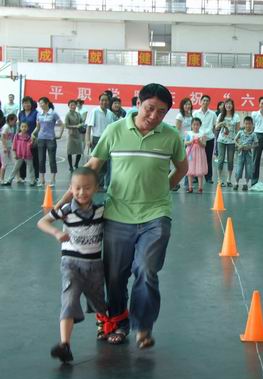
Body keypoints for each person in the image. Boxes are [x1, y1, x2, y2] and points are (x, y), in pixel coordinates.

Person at [56, 83, 188, 348]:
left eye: (162, 112)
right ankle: (118, 322)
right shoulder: (115, 130)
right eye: (150, 108)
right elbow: (92, 167)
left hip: (156, 215)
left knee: (147, 270)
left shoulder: (171, 136)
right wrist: (63, 203)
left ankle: (143, 327)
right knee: (115, 276)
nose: (154, 116)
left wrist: (164, 189)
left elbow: (182, 168)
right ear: (138, 104)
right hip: (117, 214)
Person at [37, 167, 108, 363]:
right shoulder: (66, 209)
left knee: (99, 301)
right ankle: (65, 344)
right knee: (68, 299)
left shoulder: (101, 210)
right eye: (77, 188)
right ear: (71, 188)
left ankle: (105, 326)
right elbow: (42, 222)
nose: (82, 192)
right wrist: (56, 233)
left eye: (87, 188)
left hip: (94, 264)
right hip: (71, 263)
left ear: (96, 188)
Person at [32, 97, 64, 187]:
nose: (40, 105)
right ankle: (42, 180)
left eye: (42, 103)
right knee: (41, 160)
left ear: (47, 103)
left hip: (51, 139)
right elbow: (38, 127)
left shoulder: (53, 114)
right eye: (39, 103)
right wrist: (33, 133)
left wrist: (59, 135)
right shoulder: (39, 114)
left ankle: (53, 180)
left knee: (52, 159)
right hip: (41, 139)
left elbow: (62, 124)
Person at [85, 93, 115, 188]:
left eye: (106, 100)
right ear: (99, 101)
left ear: (109, 102)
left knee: (106, 164)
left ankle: (101, 184)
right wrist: (88, 140)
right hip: (96, 139)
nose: (104, 102)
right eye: (102, 100)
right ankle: (94, 184)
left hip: (107, 140)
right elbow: (89, 127)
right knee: (96, 163)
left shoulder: (110, 113)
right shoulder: (95, 111)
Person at [215, 98, 240, 187]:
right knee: (220, 160)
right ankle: (219, 179)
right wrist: (221, 124)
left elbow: (238, 131)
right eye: (227, 104)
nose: (228, 106)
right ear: (224, 106)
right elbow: (216, 127)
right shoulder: (220, 115)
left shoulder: (236, 116)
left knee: (230, 160)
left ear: (232, 106)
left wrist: (237, 143)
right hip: (221, 140)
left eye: (230, 104)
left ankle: (229, 179)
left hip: (232, 141)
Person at [193, 95, 217, 184]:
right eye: (204, 100)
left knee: (208, 159)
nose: (205, 102)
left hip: (209, 138)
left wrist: (212, 135)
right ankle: (195, 176)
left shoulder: (213, 114)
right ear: (201, 101)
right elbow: (193, 126)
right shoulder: (195, 113)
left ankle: (208, 177)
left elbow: (214, 126)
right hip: (198, 139)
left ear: (209, 102)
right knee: (197, 158)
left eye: (207, 101)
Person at [18, 96, 39, 185]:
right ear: (22, 104)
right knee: (22, 158)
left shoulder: (36, 113)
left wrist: (34, 135)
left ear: (31, 103)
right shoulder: (21, 113)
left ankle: (36, 177)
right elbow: (19, 126)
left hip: (33, 139)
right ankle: (22, 176)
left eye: (28, 102)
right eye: (24, 103)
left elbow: (38, 126)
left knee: (34, 158)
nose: (26, 104)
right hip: (22, 140)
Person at [234, 116, 257, 191]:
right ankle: (236, 183)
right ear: (244, 124)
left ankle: (246, 184)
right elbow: (235, 140)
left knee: (249, 169)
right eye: (246, 123)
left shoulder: (253, 134)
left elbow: (256, 144)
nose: (248, 125)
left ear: (252, 124)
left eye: (249, 124)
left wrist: (250, 147)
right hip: (240, 153)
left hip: (248, 154)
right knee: (239, 168)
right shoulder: (240, 132)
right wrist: (239, 146)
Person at [185, 117, 207, 193]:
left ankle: (200, 187)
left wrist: (200, 142)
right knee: (190, 169)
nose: (195, 126)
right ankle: (190, 187)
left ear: (200, 125)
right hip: (190, 153)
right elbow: (185, 142)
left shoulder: (202, 134)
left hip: (199, 153)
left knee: (199, 169)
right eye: (194, 124)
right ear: (191, 125)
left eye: (197, 124)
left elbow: (204, 145)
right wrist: (191, 142)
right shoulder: (188, 133)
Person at [64, 100, 85, 172]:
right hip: (71, 135)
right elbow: (66, 125)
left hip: (78, 134)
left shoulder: (78, 114)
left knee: (79, 151)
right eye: (71, 105)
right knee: (69, 151)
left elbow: (82, 122)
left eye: (74, 105)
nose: (73, 106)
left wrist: (81, 124)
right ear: (69, 106)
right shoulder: (67, 115)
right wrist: (76, 126)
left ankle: (76, 164)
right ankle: (70, 166)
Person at [1, 113, 17, 184]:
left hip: (10, 147)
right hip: (3, 147)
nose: (15, 122)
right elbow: (2, 138)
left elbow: (10, 138)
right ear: (10, 120)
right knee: (4, 164)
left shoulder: (12, 128)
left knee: (16, 162)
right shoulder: (6, 127)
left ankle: (18, 178)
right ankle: (1, 179)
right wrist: (5, 147)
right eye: (14, 121)